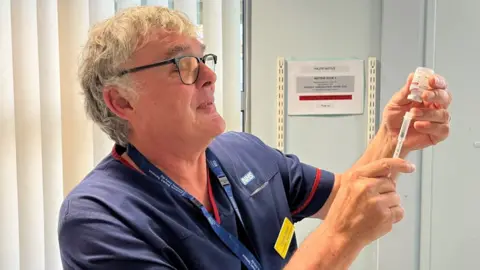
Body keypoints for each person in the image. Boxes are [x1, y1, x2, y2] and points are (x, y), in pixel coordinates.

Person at [58, 6, 452, 270]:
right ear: (122, 101)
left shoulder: (243, 153)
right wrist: (339, 239)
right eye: (182, 64)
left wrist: (393, 134)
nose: (209, 75)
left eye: (204, 59)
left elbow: (347, 198)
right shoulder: (99, 220)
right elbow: (345, 221)